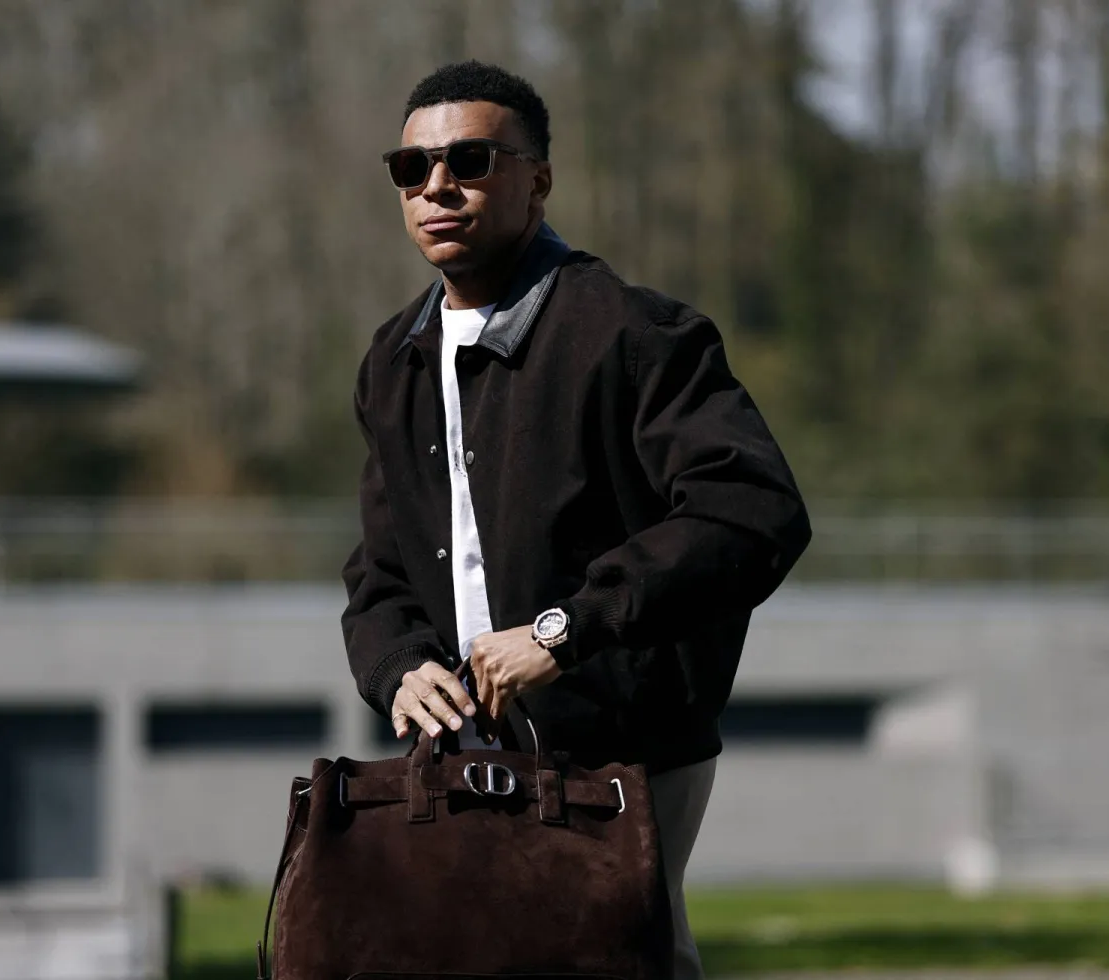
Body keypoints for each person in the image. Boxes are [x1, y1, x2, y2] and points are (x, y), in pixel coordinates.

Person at [341, 60, 811, 980]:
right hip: (462, 767)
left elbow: (752, 510)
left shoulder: (636, 335)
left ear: (538, 179)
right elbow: (380, 572)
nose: (436, 186)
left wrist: (565, 630)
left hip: (620, 762)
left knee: (621, 963)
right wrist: (398, 667)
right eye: (411, 168)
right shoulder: (396, 358)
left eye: (469, 161)